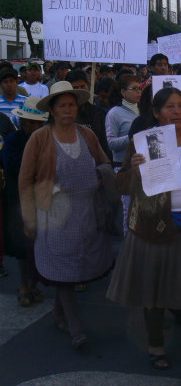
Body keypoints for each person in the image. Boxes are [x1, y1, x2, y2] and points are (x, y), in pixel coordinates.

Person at [106, 88, 181, 380]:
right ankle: (156, 346)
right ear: (157, 112)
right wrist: (134, 171)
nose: (176, 111)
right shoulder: (145, 141)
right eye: (170, 107)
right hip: (153, 228)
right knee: (154, 293)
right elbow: (120, 185)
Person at [19, 82, 114, 348]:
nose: (68, 110)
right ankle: (75, 329)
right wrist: (29, 218)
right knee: (64, 271)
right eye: (62, 105)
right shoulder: (39, 138)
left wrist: (105, 174)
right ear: (51, 109)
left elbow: (104, 163)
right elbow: (25, 181)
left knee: (73, 270)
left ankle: (59, 315)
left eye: (71, 104)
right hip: (54, 217)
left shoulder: (87, 135)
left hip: (86, 215)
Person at [3, 97, 48, 305]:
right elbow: (12, 165)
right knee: (23, 244)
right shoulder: (14, 140)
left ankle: (34, 284)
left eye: (39, 123)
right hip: (18, 197)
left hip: (42, 196)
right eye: (32, 122)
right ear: (24, 123)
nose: (36, 126)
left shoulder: (48, 139)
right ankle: (24, 285)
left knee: (39, 242)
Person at [105, 74, 141, 234]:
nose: (139, 92)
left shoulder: (143, 109)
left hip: (143, 166)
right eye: (134, 89)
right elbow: (111, 143)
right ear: (123, 92)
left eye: (140, 88)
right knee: (128, 213)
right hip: (123, 168)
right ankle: (128, 251)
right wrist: (132, 137)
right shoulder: (114, 113)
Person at [66, 70, 111, 161]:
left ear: (89, 86)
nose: (80, 90)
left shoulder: (99, 114)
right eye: (75, 87)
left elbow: (104, 145)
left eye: (83, 86)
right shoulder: (62, 115)